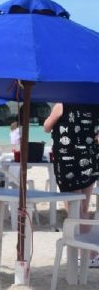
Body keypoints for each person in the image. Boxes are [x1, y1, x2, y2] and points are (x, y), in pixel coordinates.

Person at [44, 103, 99, 246]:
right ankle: (89, 248)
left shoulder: (62, 105)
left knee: (74, 211)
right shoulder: (94, 104)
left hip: (68, 162)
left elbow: (46, 127)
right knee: (84, 208)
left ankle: (87, 250)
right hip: (90, 159)